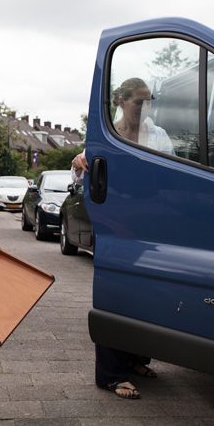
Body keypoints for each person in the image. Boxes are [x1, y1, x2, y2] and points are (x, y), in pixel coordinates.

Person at [72, 153, 156, 399]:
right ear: (120, 109)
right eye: (136, 108)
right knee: (114, 295)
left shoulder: (157, 134)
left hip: (145, 223)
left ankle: (134, 360)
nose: (140, 110)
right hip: (112, 225)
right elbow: (81, 180)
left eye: (144, 108)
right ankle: (112, 374)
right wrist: (78, 165)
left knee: (144, 297)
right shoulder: (106, 137)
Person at [111, 77, 174, 154]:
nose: (145, 108)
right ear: (122, 102)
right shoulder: (108, 132)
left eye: (148, 103)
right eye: (139, 103)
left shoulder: (159, 135)